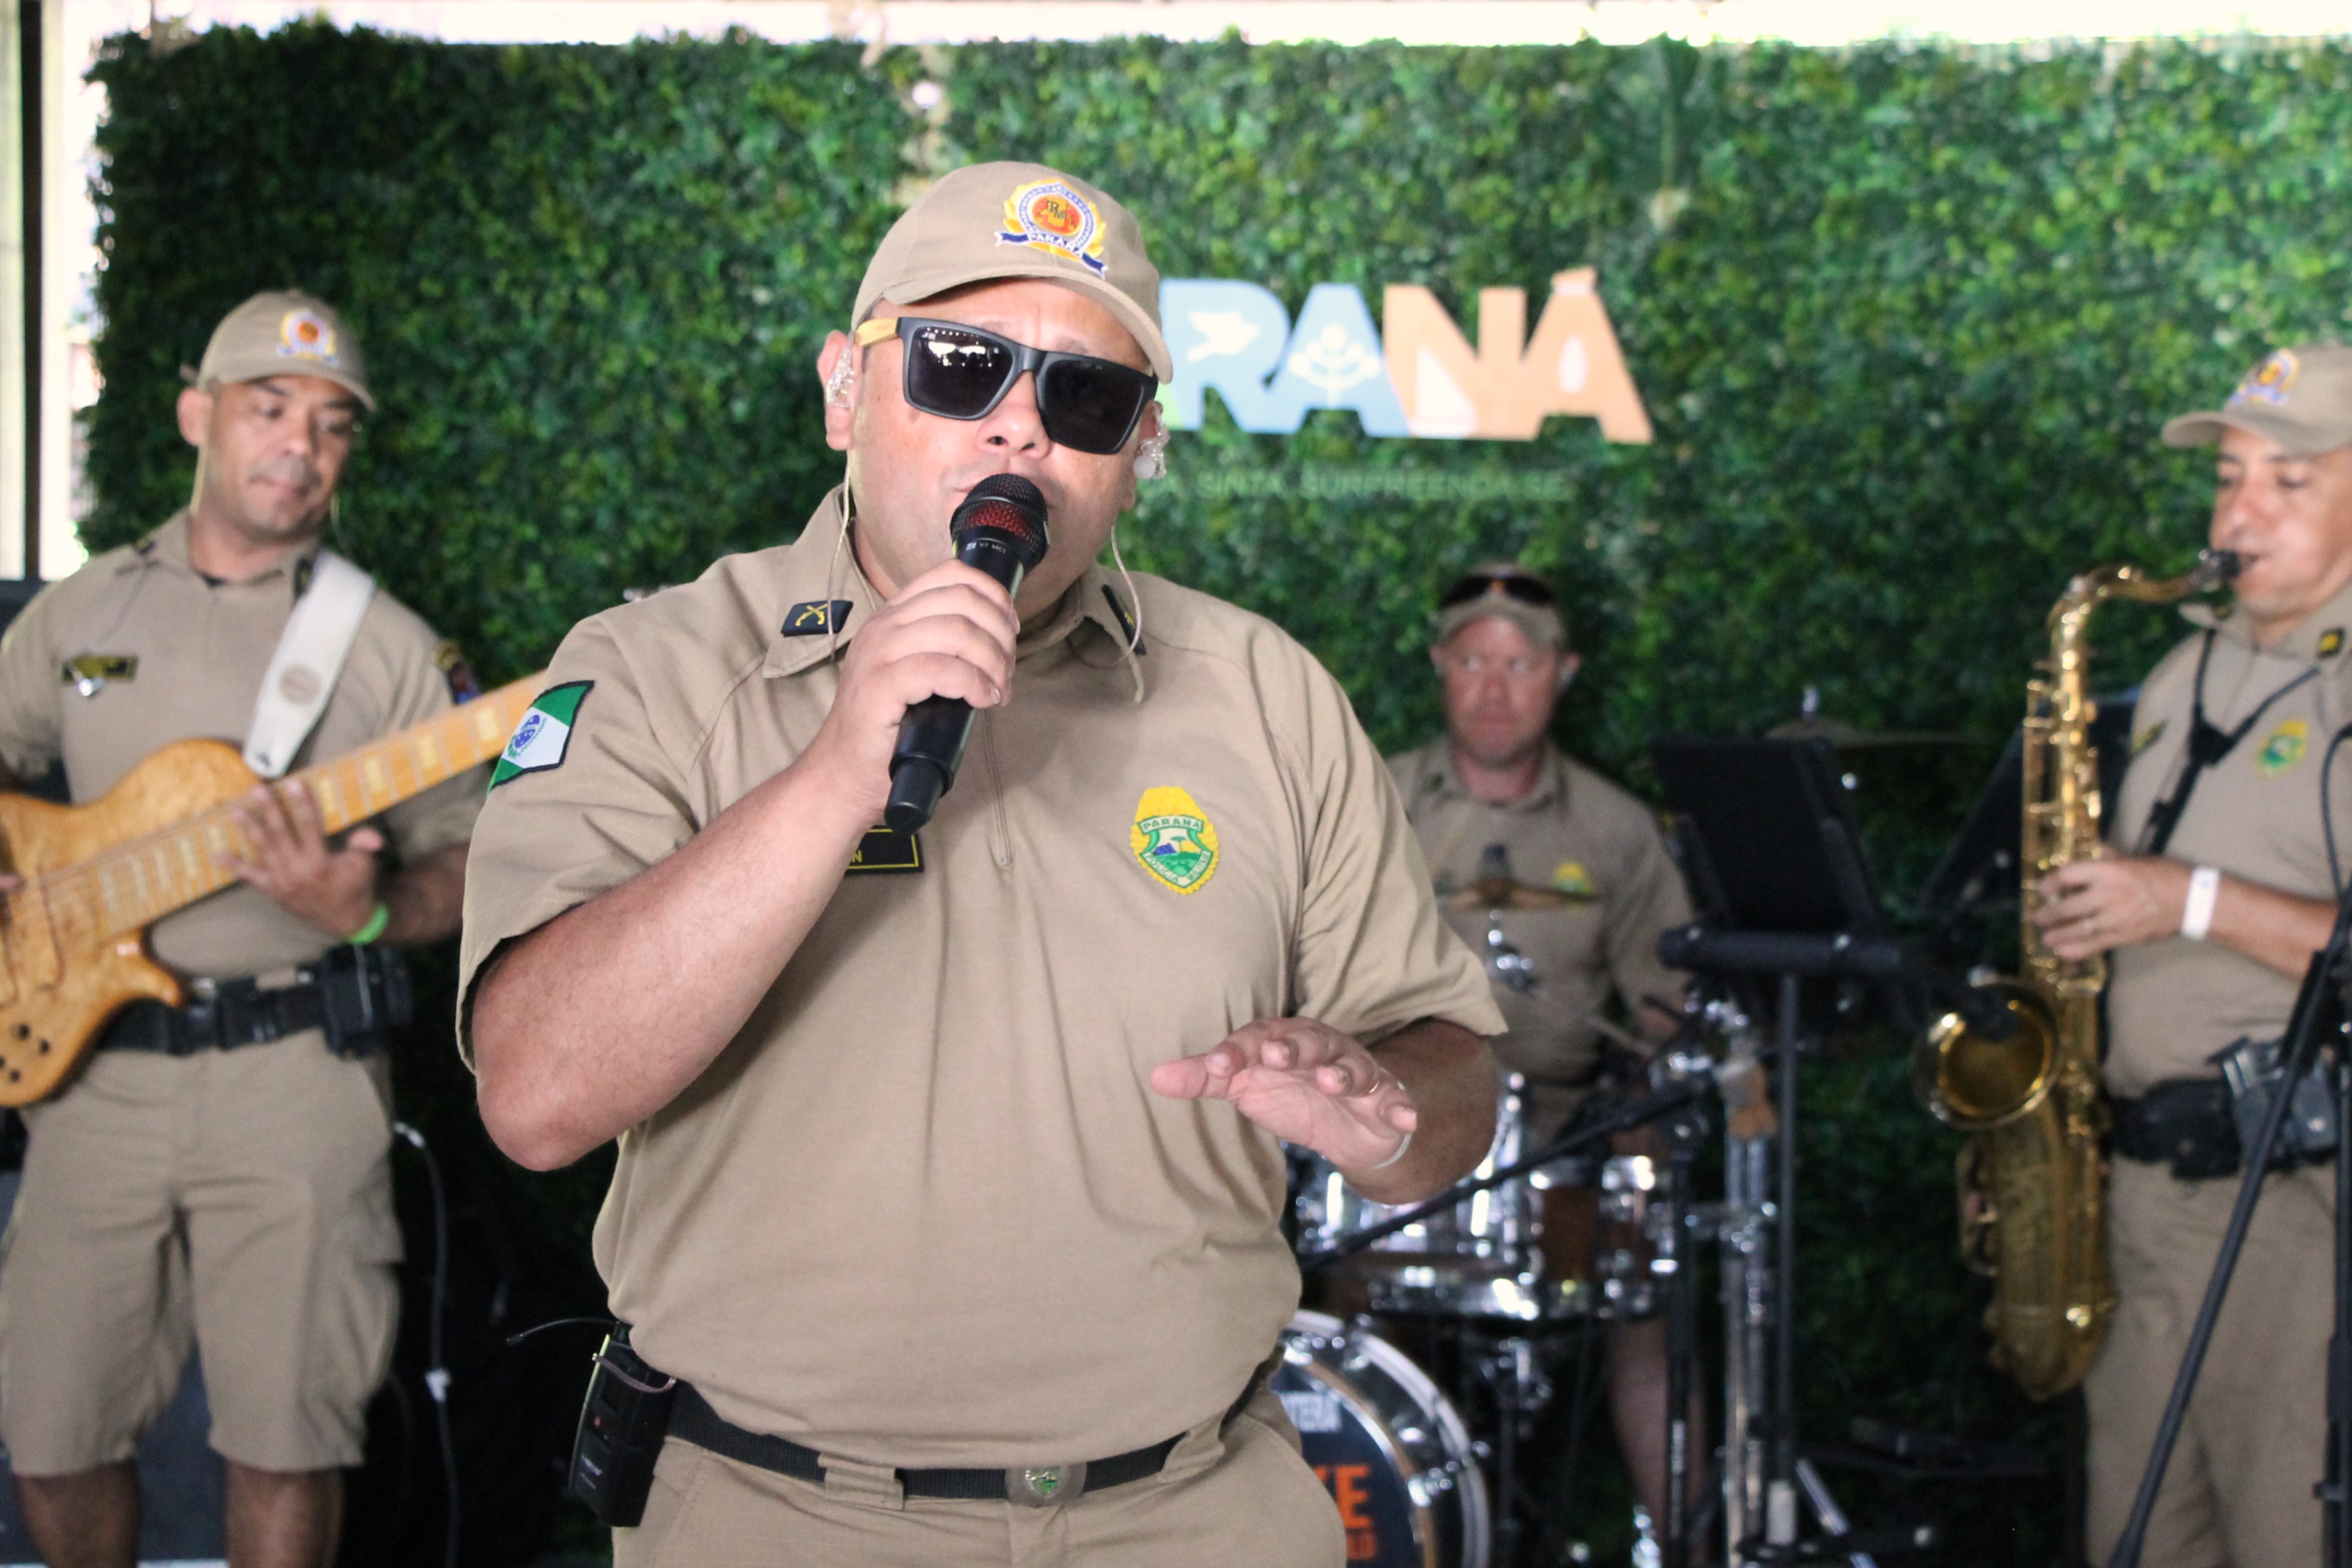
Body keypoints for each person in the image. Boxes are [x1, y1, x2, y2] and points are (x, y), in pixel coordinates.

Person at [459, 162, 1506, 1565]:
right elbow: (535, 1095)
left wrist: (1386, 1110)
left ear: (1140, 450)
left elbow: (1451, 1064)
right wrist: (835, 772)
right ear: (846, 390)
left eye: (1088, 397)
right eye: (961, 365)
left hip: (1202, 1506)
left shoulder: (1262, 693)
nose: (1020, 424)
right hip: (784, 1518)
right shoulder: (651, 672)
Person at [0, 290, 482, 1568]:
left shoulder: (386, 647)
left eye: (330, 424)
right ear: (196, 416)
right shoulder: (83, 613)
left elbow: (474, 858)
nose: (301, 446)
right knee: (51, 1438)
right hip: (88, 1085)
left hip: (294, 1077)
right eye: (270, 409)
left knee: (288, 1443)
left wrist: (366, 909)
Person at [2034, 342, 2352, 1566]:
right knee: (2138, 1543)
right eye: (2227, 479)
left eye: (2288, 481)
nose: (2236, 516)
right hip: (2140, 1195)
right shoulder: (2182, 667)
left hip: (2292, 1199)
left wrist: (2190, 899)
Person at [1385, 565, 1695, 1534]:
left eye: (1519, 663)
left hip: (1563, 1152)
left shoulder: (1616, 828)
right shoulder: (1378, 801)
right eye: (1473, 660)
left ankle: (1697, 1545)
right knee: (1355, 1305)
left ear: (1563, 672)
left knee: (1648, 1318)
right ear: (1440, 665)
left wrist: (1643, 1120)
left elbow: (1668, 1012)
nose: (1494, 687)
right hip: (1400, 1139)